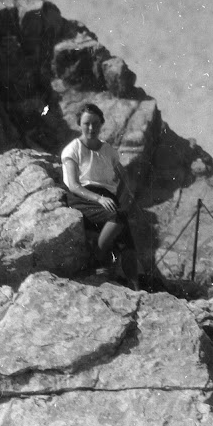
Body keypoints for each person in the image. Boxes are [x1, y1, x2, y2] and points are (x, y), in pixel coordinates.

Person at [61, 103, 140, 290]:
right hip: (82, 197)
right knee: (119, 217)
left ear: (101, 124)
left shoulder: (108, 150)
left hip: (106, 199)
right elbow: (73, 185)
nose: (91, 128)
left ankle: (136, 289)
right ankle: (98, 260)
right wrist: (99, 199)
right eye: (87, 123)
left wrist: (118, 198)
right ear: (79, 124)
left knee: (128, 246)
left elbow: (124, 177)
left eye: (96, 123)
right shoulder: (72, 149)